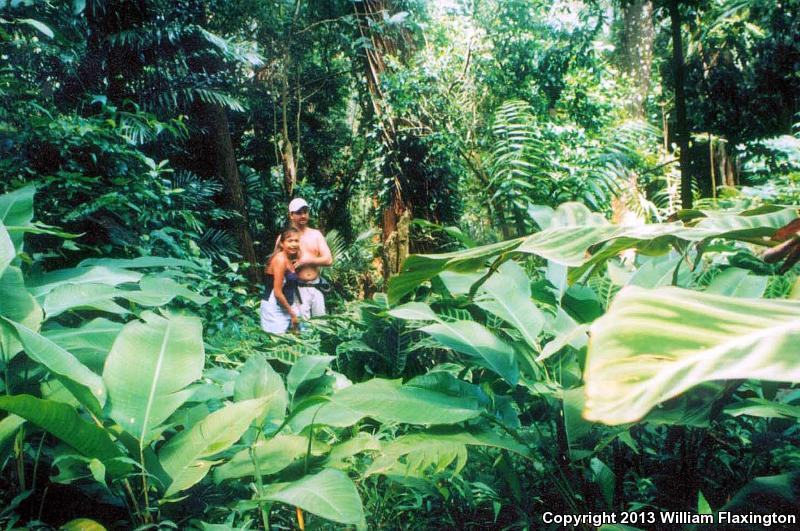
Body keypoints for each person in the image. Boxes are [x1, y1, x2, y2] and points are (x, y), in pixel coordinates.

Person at [282, 197, 333, 320]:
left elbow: (328, 259)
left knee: (321, 325)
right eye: (299, 213)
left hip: (317, 287)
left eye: (305, 212)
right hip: (297, 289)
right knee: (303, 330)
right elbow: (275, 263)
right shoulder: (286, 237)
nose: (303, 215)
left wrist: (307, 260)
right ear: (291, 215)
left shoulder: (316, 234)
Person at [260, 226, 302, 334]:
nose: (294, 244)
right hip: (274, 307)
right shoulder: (280, 260)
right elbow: (278, 293)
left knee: (294, 339)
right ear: (282, 244)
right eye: (290, 241)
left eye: (296, 241)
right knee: (277, 344)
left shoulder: (289, 259)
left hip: (287, 306)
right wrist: (292, 313)